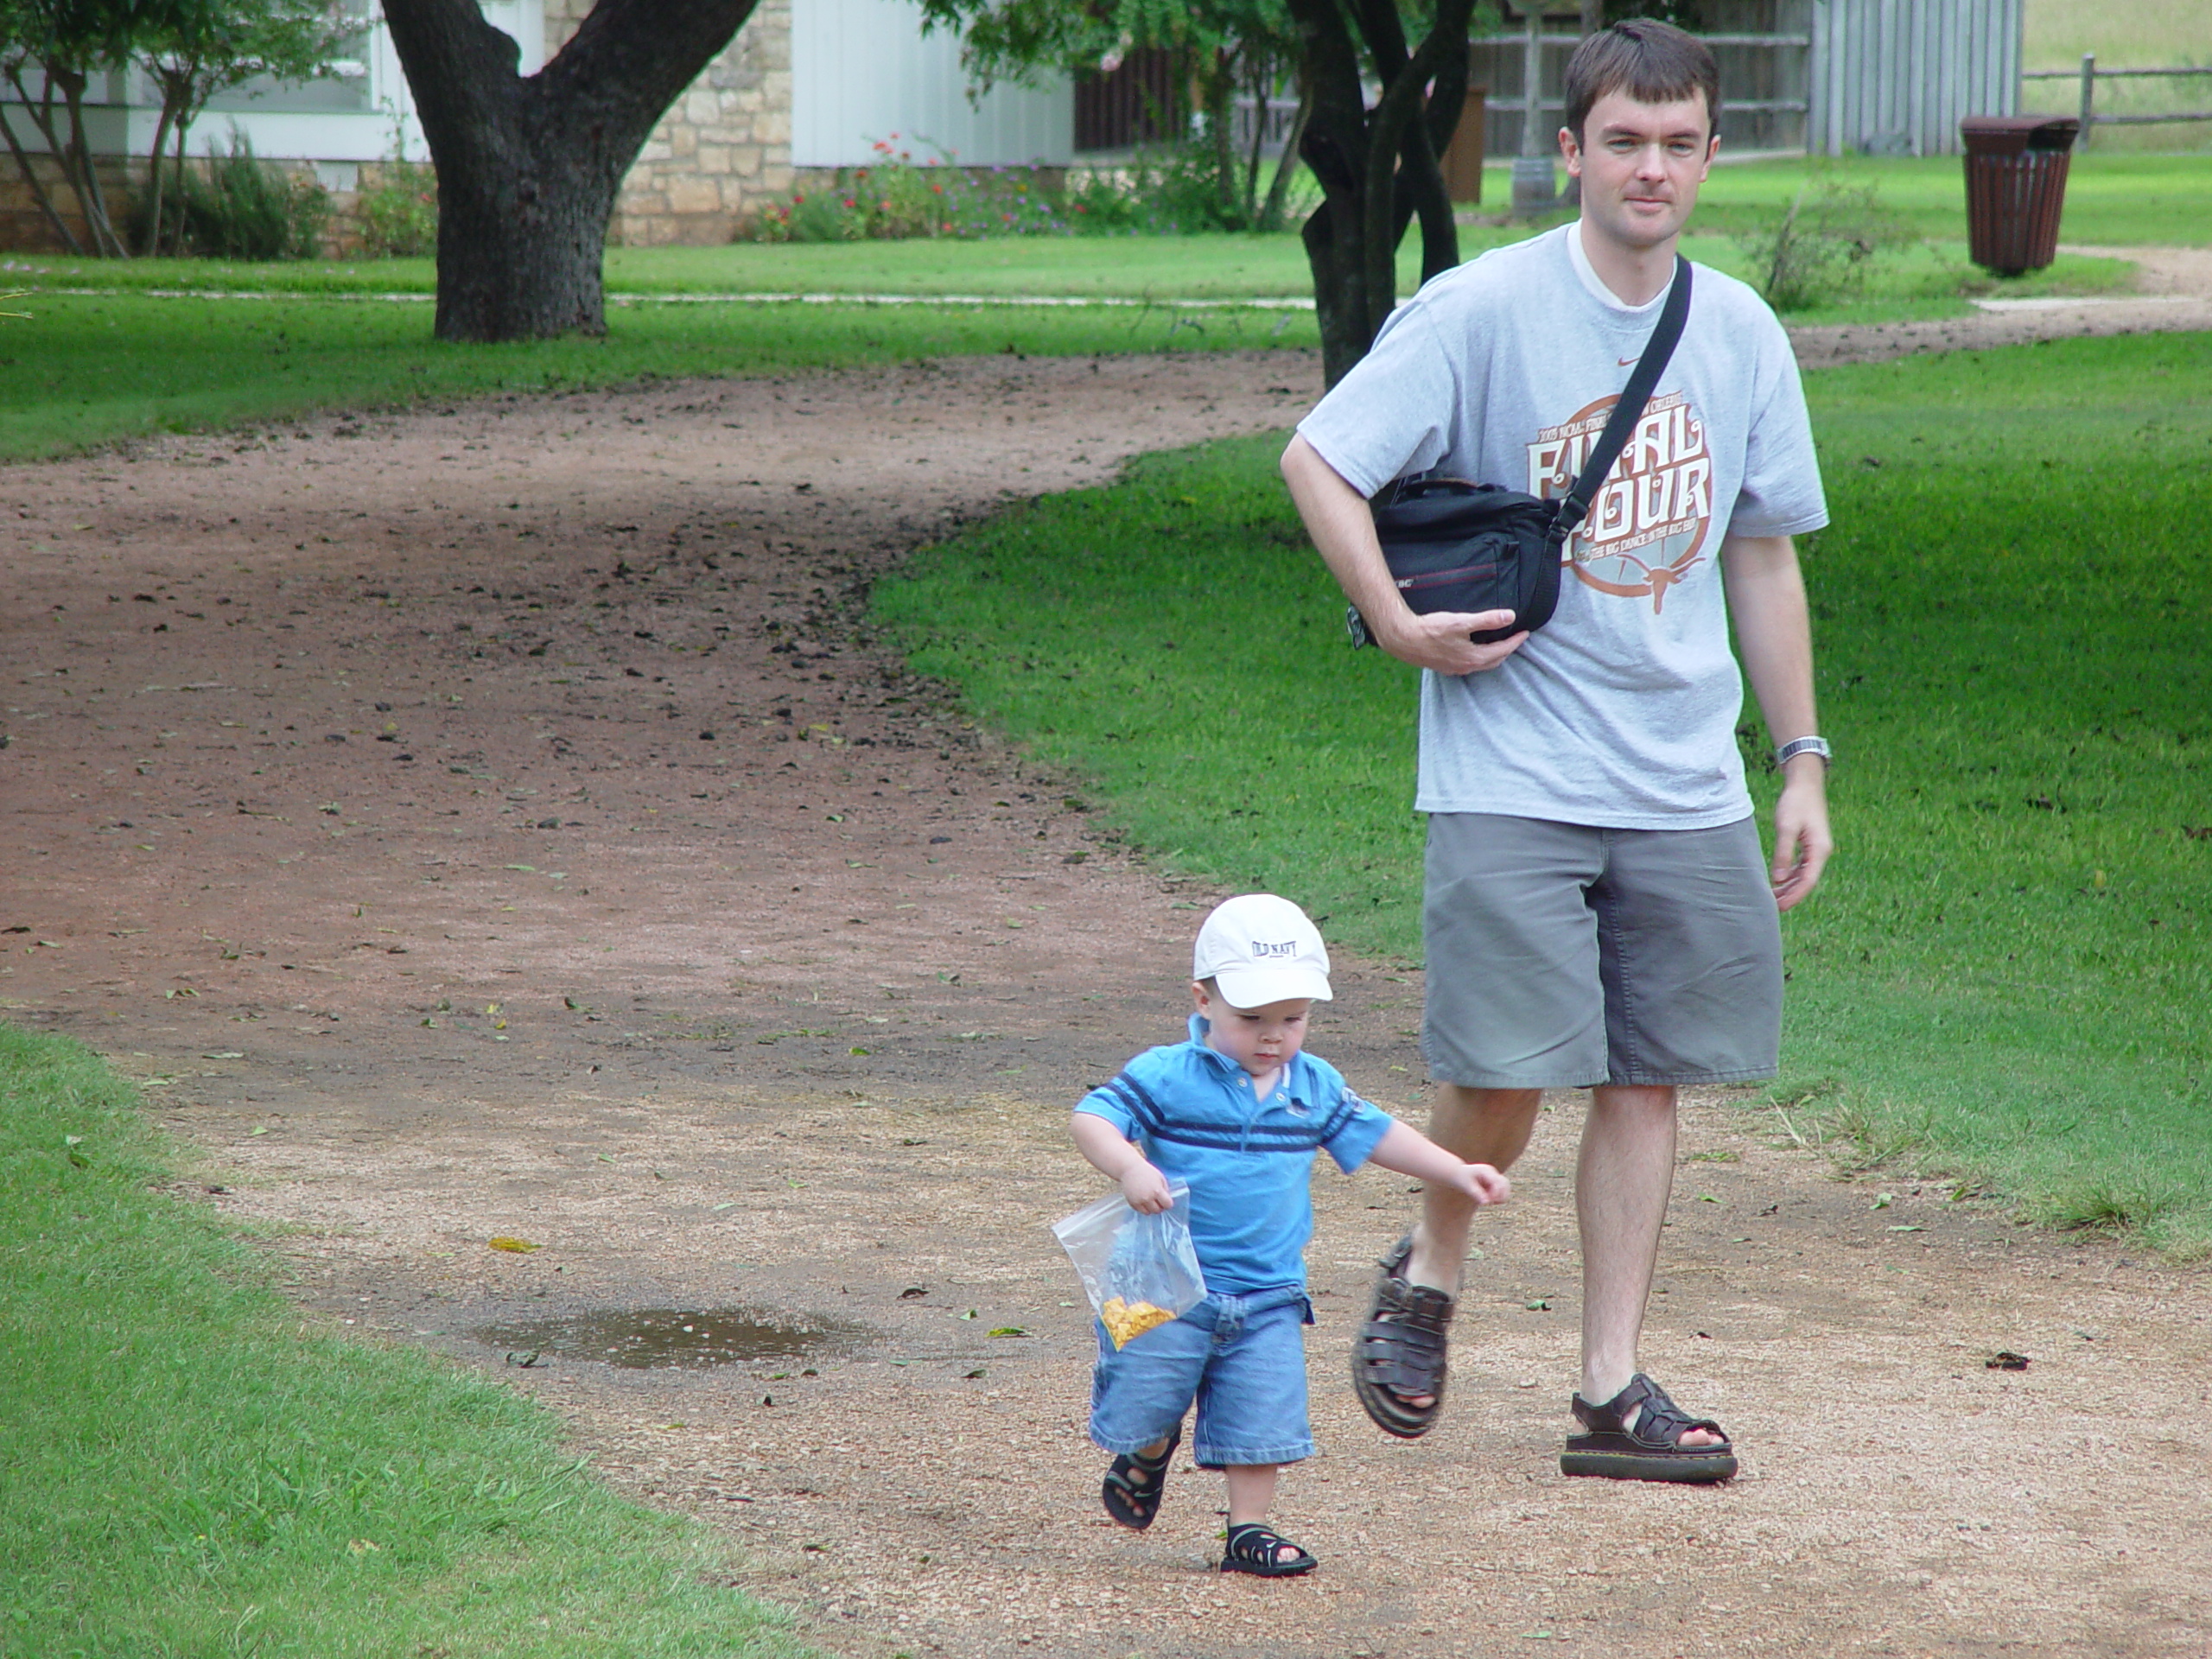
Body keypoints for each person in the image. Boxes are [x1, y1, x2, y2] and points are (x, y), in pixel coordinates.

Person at [1279, 20, 1833, 1484]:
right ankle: (1433, 1266)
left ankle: (1608, 1386)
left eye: (1678, 144)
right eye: (1624, 141)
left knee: (1647, 1074)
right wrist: (1392, 620)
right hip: (1511, 767)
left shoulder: (1740, 333)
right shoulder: (1479, 311)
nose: (1650, 168)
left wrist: (1801, 757)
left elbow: (1763, 556)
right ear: (1573, 148)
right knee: (1507, 1069)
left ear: (1711, 155)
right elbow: (1319, 459)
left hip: (1684, 778)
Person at [1071, 893, 1510, 1576]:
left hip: (1269, 1293)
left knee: (1263, 1414)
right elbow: (1092, 1116)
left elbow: (1377, 1133)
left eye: (1293, 1019)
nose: (1273, 1036)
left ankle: (1249, 1529)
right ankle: (1150, 1445)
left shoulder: (1312, 1086)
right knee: (1148, 1395)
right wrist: (1130, 1164)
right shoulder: (1166, 1075)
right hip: (1165, 1285)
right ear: (1202, 1000)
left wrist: (1456, 1168)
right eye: (1251, 1019)